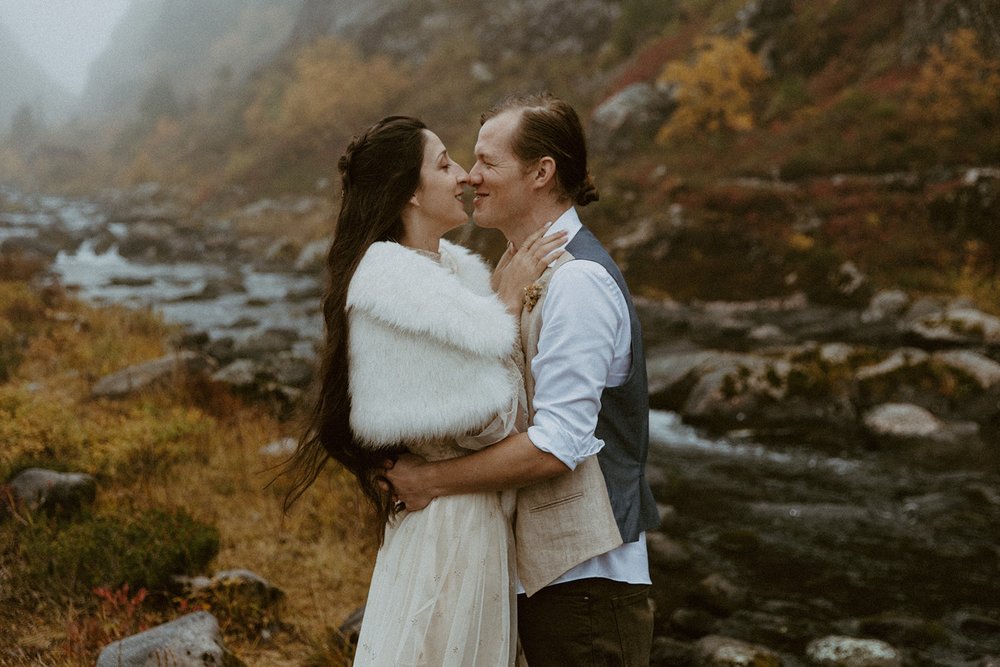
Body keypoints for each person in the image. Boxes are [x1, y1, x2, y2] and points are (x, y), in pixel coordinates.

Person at [386, 93, 661, 666]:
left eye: (488, 162)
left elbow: (557, 445)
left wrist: (433, 481)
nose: (471, 176)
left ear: (541, 173)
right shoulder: (521, 271)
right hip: (546, 582)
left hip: (588, 584)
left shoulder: (579, 282)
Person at [279, 115, 564, 666]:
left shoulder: (449, 274)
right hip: (449, 530)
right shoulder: (395, 287)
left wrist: (491, 308)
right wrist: (502, 308)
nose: (463, 176)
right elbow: (491, 423)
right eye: (443, 164)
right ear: (410, 191)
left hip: (469, 516)